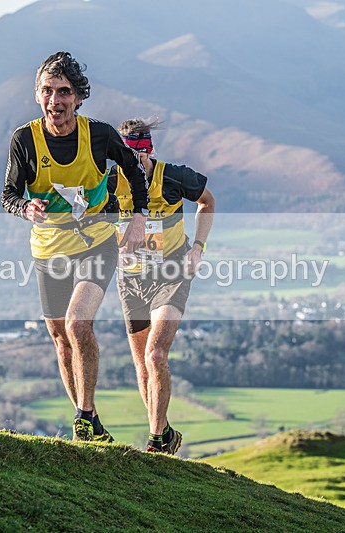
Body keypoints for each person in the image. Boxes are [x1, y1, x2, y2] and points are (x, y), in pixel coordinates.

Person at [1, 51, 149, 442]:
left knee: (78, 323)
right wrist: (24, 207)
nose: (56, 101)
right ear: (37, 96)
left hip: (97, 242)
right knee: (60, 338)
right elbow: (8, 195)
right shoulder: (24, 140)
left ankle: (83, 418)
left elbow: (135, 174)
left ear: (78, 97)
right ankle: (92, 421)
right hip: (49, 250)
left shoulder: (99, 135)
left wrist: (137, 218)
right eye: (47, 91)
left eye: (63, 91)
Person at [109, 117, 215, 454]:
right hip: (131, 281)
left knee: (156, 356)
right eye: (127, 158)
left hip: (171, 276)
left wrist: (197, 248)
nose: (134, 165)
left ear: (149, 150)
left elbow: (207, 201)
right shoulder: (108, 182)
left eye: (139, 157)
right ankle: (165, 431)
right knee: (142, 366)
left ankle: (155, 442)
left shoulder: (174, 176)